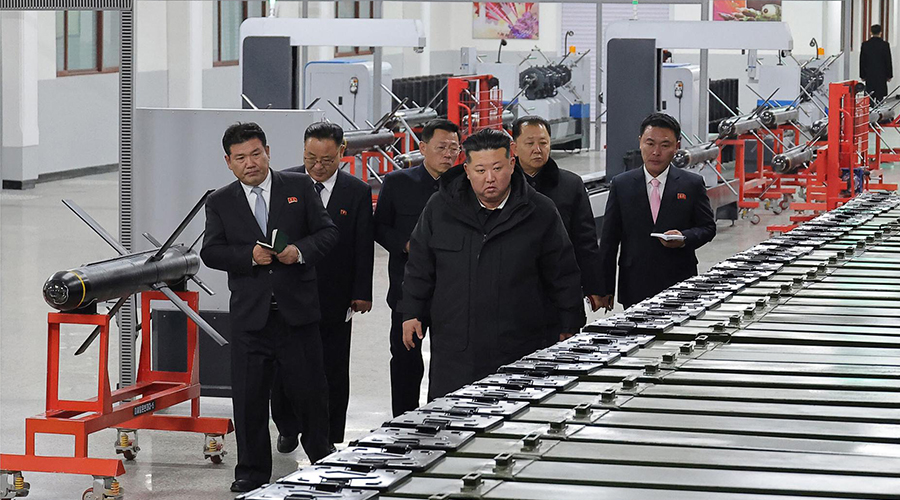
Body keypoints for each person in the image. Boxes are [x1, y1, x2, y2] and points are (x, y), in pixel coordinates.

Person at [201, 122, 339, 493]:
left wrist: (299, 252)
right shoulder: (220, 201)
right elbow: (211, 252)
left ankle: (322, 458)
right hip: (251, 319)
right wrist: (248, 256)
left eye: (256, 154)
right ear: (228, 162)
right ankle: (251, 471)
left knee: (311, 392)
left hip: (297, 314)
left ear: (268, 152)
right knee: (249, 399)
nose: (250, 163)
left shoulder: (299, 187)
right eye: (240, 158)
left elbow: (328, 232)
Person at [398, 128, 586, 401]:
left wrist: (570, 323)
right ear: (467, 170)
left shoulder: (539, 211)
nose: (489, 178)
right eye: (480, 170)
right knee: (450, 418)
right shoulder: (441, 208)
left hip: (520, 349)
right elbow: (420, 266)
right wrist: (412, 312)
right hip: (455, 351)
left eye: (497, 168)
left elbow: (563, 272)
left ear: (512, 164)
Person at [271, 122, 375, 449]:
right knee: (285, 366)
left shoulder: (356, 191)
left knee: (333, 368)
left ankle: (329, 436)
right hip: (290, 292)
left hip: (334, 293)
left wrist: (362, 292)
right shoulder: (284, 182)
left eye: (327, 160)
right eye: (310, 158)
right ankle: (288, 426)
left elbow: (363, 245)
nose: (317, 167)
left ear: (342, 152)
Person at [374, 119, 461, 416]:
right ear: (422, 148)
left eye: (454, 148)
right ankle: (403, 421)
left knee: (450, 361)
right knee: (405, 359)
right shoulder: (398, 183)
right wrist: (406, 244)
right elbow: (380, 227)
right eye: (441, 147)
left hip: (453, 291)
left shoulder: (466, 185)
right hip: (407, 290)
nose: (448, 154)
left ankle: (446, 417)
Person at [598, 113, 716, 310]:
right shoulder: (622, 185)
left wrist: (684, 238)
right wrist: (604, 288)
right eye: (650, 143)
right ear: (640, 142)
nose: (656, 152)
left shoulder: (691, 184)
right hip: (634, 283)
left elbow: (707, 227)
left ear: (677, 146)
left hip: (679, 281)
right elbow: (609, 241)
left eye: (665, 145)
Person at [512, 116, 604, 332]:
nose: (537, 149)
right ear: (514, 147)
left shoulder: (570, 185)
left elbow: (585, 240)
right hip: (514, 290)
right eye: (530, 143)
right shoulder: (503, 185)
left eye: (543, 143)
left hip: (560, 287)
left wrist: (594, 286)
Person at [860, 24, 893, 103]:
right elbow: (888, 61)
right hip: (881, 75)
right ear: (880, 33)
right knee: (880, 97)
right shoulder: (885, 45)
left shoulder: (865, 45)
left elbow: (862, 61)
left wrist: (862, 75)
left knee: (869, 96)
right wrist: (889, 75)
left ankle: (870, 109)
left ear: (870, 32)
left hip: (869, 75)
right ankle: (879, 109)